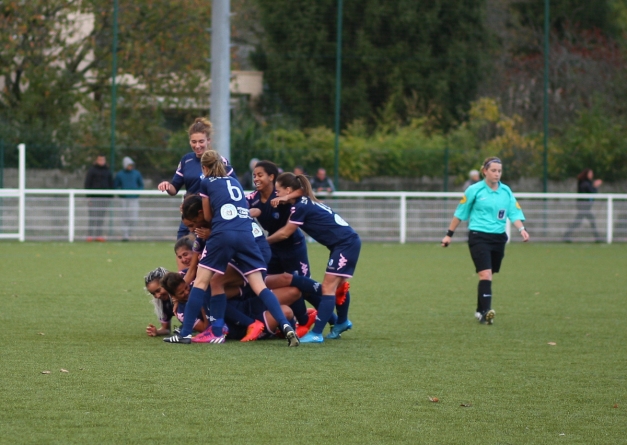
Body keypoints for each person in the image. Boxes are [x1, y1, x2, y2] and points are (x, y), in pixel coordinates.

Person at [163, 150, 299, 346]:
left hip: (223, 234)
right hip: (246, 234)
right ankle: (286, 326)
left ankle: (186, 334)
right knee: (259, 286)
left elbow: (208, 216)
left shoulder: (206, 183)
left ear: (204, 168)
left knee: (202, 283)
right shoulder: (235, 182)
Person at [267, 172, 361, 343]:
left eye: (278, 191)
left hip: (345, 244)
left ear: (288, 189)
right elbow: (301, 190)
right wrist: (285, 197)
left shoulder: (300, 207)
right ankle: (341, 322)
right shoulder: (303, 199)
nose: (276, 194)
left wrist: (263, 242)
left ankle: (317, 333)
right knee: (335, 287)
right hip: (344, 244)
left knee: (328, 288)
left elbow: (285, 233)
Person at [247, 160, 337, 335]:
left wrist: (286, 197)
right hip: (273, 249)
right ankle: (299, 320)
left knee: (305, 289)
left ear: (271, 177)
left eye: (260, 175)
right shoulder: (253, 198)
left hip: (293, 247)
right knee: (271, 285)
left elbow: (303, 190)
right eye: (254, 175)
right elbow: (238, 207)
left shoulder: (282, 192)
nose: (256, 178)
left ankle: (334, 321)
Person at [441, 156, 529, 325]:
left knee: (489, 275)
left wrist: (522, 229)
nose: (497, 174)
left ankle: (480, 310)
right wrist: (448, 235)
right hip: (478, 236)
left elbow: (514, 212)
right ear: (485, 172)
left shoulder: (506, 191)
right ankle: (486, 313)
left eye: (500, 171)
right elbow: (460, 213)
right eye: (494, 171)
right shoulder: (474, 190)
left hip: (498, 239)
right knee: (485, 274)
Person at [156, 117, 237, 239]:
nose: (197, 146)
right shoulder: (186, 160)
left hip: (209, 218)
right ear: (189, 141)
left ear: (208, 140)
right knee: (183, 249)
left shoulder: (219, 161)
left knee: (204, 254)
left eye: (201, 141)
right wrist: (167, 186)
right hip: (189, 216)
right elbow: (174, 189)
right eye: (194, 142)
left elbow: (233, 188)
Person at [563, 169, 603, 242]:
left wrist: (594, 186)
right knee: (589, 221)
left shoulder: (586, 183)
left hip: (585, 207)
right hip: (584, 207)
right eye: (590, 173)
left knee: (578, 222)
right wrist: (596, 186)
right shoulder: (585, 184)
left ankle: (566, 236)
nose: (592, 175)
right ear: (586, 174)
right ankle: (597, 238)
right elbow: (592, 192)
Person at [84, 154, 114, 242]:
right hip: (93, 198)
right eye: (100, 160)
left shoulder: (107, 171)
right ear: (97, 160)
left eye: (103, 160)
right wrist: (88, 197)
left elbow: (111, 184)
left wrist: (110, 197)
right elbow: (87, 183)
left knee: (101, 217)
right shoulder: (92, 171)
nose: (101, 161)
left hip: (104, 198)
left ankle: (98, 235)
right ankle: (90, 235)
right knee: (92, 217)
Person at [114, 156, 144, 241]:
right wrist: (121, 194)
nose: (130, 167)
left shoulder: (137, 173)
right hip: (123, 199)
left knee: (134, 218)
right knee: (124, 218)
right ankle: (125, 235)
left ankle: (130, 233)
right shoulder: (120, 174)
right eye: (128, 165)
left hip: (134, 199)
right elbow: (116, 186)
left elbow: (141, 185)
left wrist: (137, 193)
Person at [144, 267, 175, 337]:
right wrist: (157, 332)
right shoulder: (163, 303)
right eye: (153, 293)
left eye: (158, 290)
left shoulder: (184, 295)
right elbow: (166, 329)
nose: (157, 296)